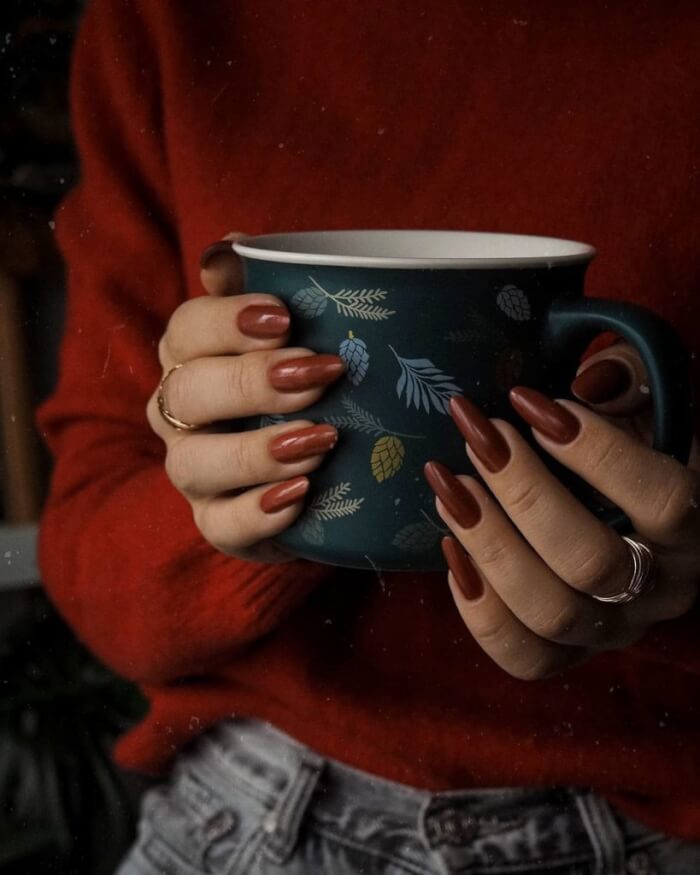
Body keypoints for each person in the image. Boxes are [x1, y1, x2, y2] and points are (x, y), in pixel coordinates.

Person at [37, 1, 700, 872]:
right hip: (248, 815)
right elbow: (90, 567)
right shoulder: (167, 20)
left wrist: (674, 551)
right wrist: (240, 502)